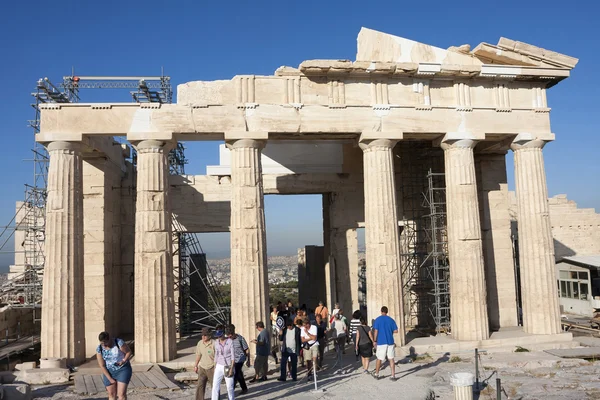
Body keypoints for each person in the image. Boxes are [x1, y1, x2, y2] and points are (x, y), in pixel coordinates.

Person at [96, 332, 133, 400]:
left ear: (109, 339)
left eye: (105, 342)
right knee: (111, 394)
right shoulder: (99, 349)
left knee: (121, 394)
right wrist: (110, 378)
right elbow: (102, 365)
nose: (104, 345)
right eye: (102, 343)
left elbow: (128, 352)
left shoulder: (118, 342)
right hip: (109, 371)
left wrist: (123, 360)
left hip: (122, 369)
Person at [372, 306, 399, 380]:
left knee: (379, 358)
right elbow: (396, 331)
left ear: (381, 311)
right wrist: (390, 331)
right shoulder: (391, 320)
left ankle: (377, 374)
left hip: (381, 341)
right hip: (390, 341)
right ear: (387, 312)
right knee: (391, 359)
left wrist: (374, 340)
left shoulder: (377, 320)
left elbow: (376, 331)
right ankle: (393, 375)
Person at [212, 328, 236, 400]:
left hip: (227, 365)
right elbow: (216, 354)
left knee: (229, 386)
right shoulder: (216, 342)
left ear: (223, 334)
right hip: (219, 365)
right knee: (215, 385)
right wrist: (214, 366)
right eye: (217, 336)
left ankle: (231, 398)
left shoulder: (230, 341)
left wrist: (232, 368)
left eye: (220, 336)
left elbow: (233, 356)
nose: (218, 337)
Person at [194, 328, 215, 400]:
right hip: (202, 367)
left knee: (214, 385)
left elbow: (217, 357)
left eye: (205, 335)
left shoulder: (214, 343)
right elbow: (198, 355)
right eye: (202, 335)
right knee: (200, 385)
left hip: (212, 367)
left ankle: (216, 398)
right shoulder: (200, 343)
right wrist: (196, 365)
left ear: (209, 335)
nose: (203, 337)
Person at [227, 324, 249, 395]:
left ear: (233, 333)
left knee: (235, 374)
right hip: (232, 360)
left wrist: (248, 359)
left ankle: (231, 391)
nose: (229, 336)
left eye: (230, 335)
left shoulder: (240, 338)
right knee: (239, 374)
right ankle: (244, 388)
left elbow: (246, 349)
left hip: (240, 359)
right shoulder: (227, 340)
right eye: (228, 335)